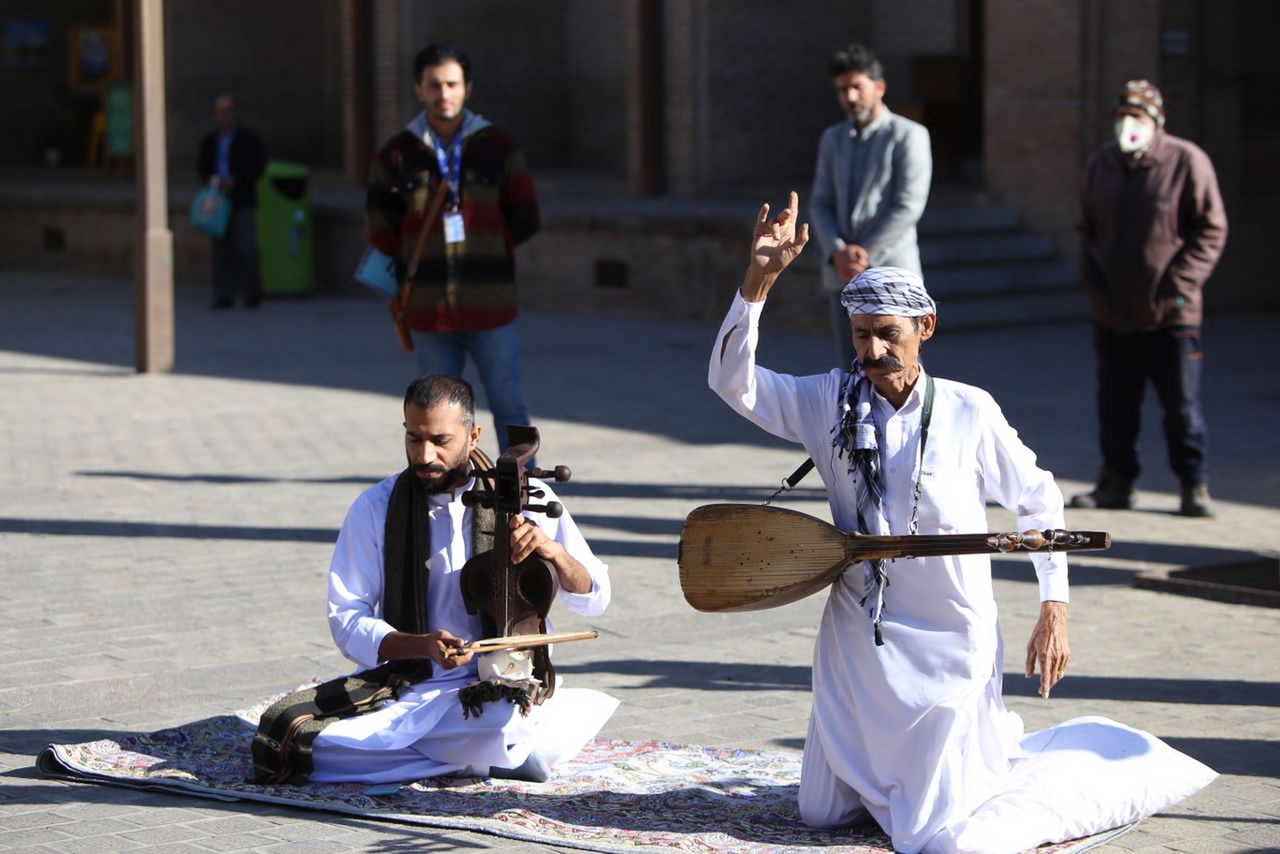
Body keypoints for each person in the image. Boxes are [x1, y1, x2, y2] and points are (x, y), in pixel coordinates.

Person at [707, 193, 1215, 852]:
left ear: (927, 327)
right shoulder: (825, 399)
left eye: (890, 332)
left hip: (951, 634)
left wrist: (1053, 607)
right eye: (863, 335)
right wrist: (760, 280)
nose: (875, 348)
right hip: (860, 629)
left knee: (933, 835)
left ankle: (1052, 755)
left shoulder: (970, 411)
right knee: (822, 815)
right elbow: (730, 382)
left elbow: (1038, 500)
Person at [257, 374, 615, 785]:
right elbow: (346, 617)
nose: (424, 455)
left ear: (474, 435)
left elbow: (596, 597)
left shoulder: (525, 496)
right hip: (412, 684)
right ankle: (495, 758)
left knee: (500, 720)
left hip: (501, 685)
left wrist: (554, 553)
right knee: (303, 741)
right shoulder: (376, 506)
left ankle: (493, 748)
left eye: (440, 441)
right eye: (414, 438)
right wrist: (420, 645)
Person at [366, 44, 539, 452]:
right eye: (434, 85)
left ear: (467, 88)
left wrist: (486, 250)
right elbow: (380, 228)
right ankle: (446, 496)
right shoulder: (396, 154)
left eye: (452, 84)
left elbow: (526, 216)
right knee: (435, 414)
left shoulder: (498, 147)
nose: (444, 93)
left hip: (491, 305)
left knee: (509, 406)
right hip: (429, 311)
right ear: (418, 90)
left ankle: (524, 495)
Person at [1073, 80, 1227, 517]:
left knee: (1180, 406)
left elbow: (1211, 229)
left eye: (1137, 117)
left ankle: (1193, 484)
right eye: (1123, 115)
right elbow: (1085, 229)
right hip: (1114, 313)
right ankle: (1116, 481)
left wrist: (1180, 286)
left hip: (1171, 316)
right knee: (1116, 403)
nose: (1128, 124)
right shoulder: (1102, 163)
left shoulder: (1186, 161)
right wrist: (1093, 287)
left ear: (1156, 122)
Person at [810, 42, 932, 367]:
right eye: (842, 89)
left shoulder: (909, 135)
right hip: (843, 275)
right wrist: (837, 251)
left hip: (892, 274)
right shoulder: (833, 138)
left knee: (898, 373)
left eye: (856, 87)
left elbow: (908, 206)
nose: (849, 98)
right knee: (852, 370)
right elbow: (820, 202)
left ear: (879, 87)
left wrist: (863, 257)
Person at [196, 94, 267, 310]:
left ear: (234, 114)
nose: (224, 116)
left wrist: (237, 180)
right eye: (220, 111)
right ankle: (223, 295)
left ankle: (253, 293)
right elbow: (202, 167)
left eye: (227, 111)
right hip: (218, 198)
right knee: (220, 250)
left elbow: (259, 165)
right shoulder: (210, 140)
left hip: (242, 197)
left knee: (246, 247)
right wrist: (214, 181)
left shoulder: (248, 138)